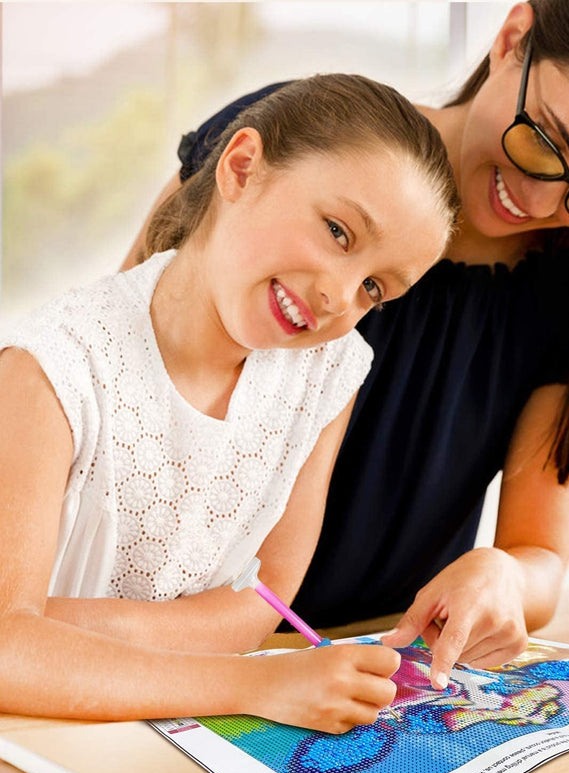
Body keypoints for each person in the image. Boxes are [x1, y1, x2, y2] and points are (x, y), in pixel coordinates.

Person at [119, 0, 569, 693]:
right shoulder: (304, 145)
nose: (538, 200)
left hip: (368, 684)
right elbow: (106, 372)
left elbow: (535, 554)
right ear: (513, 38)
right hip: (158, 650)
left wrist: (505, 574)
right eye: (543, 140)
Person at [0, 74, 460, 732]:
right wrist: (249, 679)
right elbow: (8, 651)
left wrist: (58, 629)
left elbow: (261, 600)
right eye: (337, 231)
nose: (339, 297)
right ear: (242, 168)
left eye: (375, 290)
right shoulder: (49, 370)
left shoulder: (328, 373)